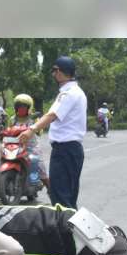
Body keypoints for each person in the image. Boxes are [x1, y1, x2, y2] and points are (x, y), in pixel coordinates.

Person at [20, 56, 87, 209]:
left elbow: (51, 115)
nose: (53, 74)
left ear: (62, 72)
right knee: (66, 197)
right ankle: (69, 230)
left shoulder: (69, 93)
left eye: (55, 70)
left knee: (61, 197)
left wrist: (31, 130)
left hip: (66, 150)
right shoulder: (74, 92)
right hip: (70, 150)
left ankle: (65, 231)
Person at [8, 93, 49, 192]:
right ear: (16, 107)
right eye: (19, 106)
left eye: (24, 107)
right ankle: (5, 186)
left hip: (31, 147)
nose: (21, 109)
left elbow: (39, 131)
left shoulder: (33, 119)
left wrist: (35, 129)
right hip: (16, 146)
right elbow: (8, 131)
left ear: (29, 108)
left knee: (40, 167)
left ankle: (50, 188)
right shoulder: (12, 119)